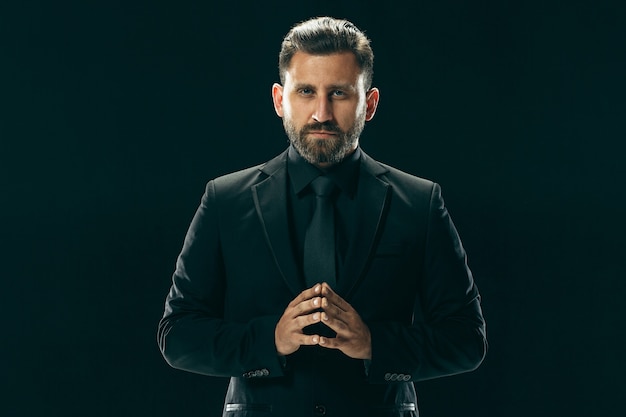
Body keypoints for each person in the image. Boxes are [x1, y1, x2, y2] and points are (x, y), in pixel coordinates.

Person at [158, 16, 487, 417]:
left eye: (340, 94)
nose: (321, 113)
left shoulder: (419, 203)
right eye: (307, 92)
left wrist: (374, 345)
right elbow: (177, 335)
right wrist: (270, 340)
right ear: (280, 100)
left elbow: (467, 339)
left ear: (371, 103)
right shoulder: (225, 200)